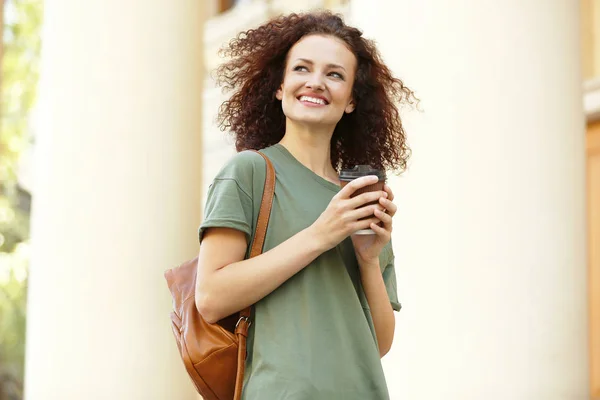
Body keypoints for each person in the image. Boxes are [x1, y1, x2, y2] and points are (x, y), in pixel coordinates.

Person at [195, 11, 417, 400]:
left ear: (351, 101)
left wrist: (368, 260)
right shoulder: (249, 172)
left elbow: (377, 344)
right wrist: (321, 234)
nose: (315, 82)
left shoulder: (360, 198)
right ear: (279, 86)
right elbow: (211, 298)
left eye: (334, 74)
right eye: (301, 68)